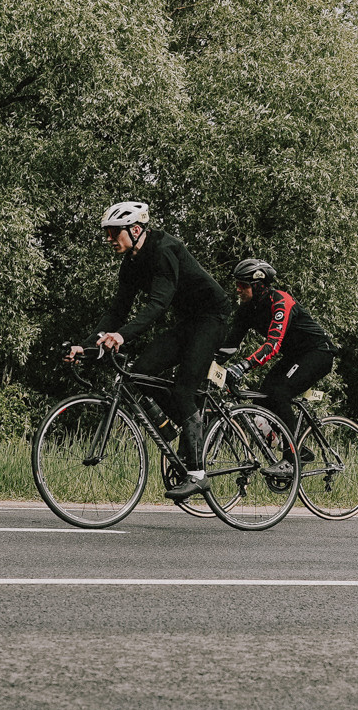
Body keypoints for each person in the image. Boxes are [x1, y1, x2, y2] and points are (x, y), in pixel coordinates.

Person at [69, 202, 229, 500]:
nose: (108, 239)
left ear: (136, 229)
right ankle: (180, 427)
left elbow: (158, 304)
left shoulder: (165, 249)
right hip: (187, 323)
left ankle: (197, 473)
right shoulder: (131, 262)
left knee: (183, 390)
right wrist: (87, 345)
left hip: (211, 319)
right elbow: (117, 311)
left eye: (113, 233)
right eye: (107, 233)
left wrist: (122, 336)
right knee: (139, 374)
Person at [227, 259, 335, 450]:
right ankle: (288, 447)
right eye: (237, 285)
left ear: (258, 286)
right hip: (294, 356)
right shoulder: (247, 310)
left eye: (243, 285)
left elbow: (272, 346)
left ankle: (292, 456)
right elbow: (229, 344)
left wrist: (242, 366)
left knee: (279, 393)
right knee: (260, 398)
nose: (238, 289)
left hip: (318, 352)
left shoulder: (280, 301)